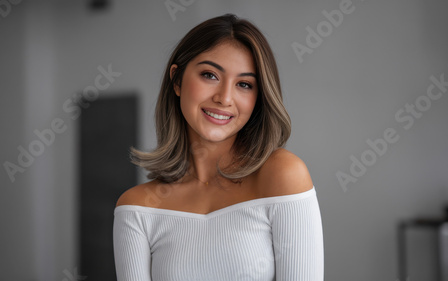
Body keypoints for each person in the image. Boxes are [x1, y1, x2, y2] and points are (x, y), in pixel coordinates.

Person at [113, 13, 324, 281]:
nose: (224, 98)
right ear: (177, 80)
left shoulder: (283, 175)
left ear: (258, 98)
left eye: (244, 85)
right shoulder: (138, 208)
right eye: (210, 75)